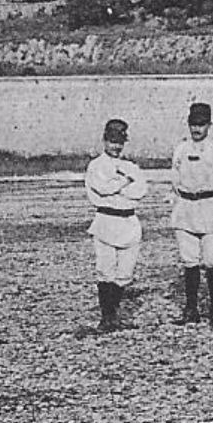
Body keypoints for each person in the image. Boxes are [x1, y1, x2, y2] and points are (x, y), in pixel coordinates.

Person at [86, 118, 149, 333]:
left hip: (128, 221)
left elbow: (139, 191)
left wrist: (119, 186)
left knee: (124, 274)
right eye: (112, 141)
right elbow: (101, 189)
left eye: (120, 142)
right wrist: (124, 182)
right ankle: (108, 317)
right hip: (105, 220)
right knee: (105, 271)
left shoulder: (131, 166)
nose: (116, 146)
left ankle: (114, 312)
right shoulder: (96, 165)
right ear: (104, 141)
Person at [170, 102, 213, 325]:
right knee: (189, 260)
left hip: (209, 205)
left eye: (201, 125)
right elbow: (174, 176)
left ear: (209, 125)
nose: (196, 129)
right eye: (193, 124)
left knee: (212, 259)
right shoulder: (181, 150)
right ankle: (191, 307)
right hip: (186, 207)